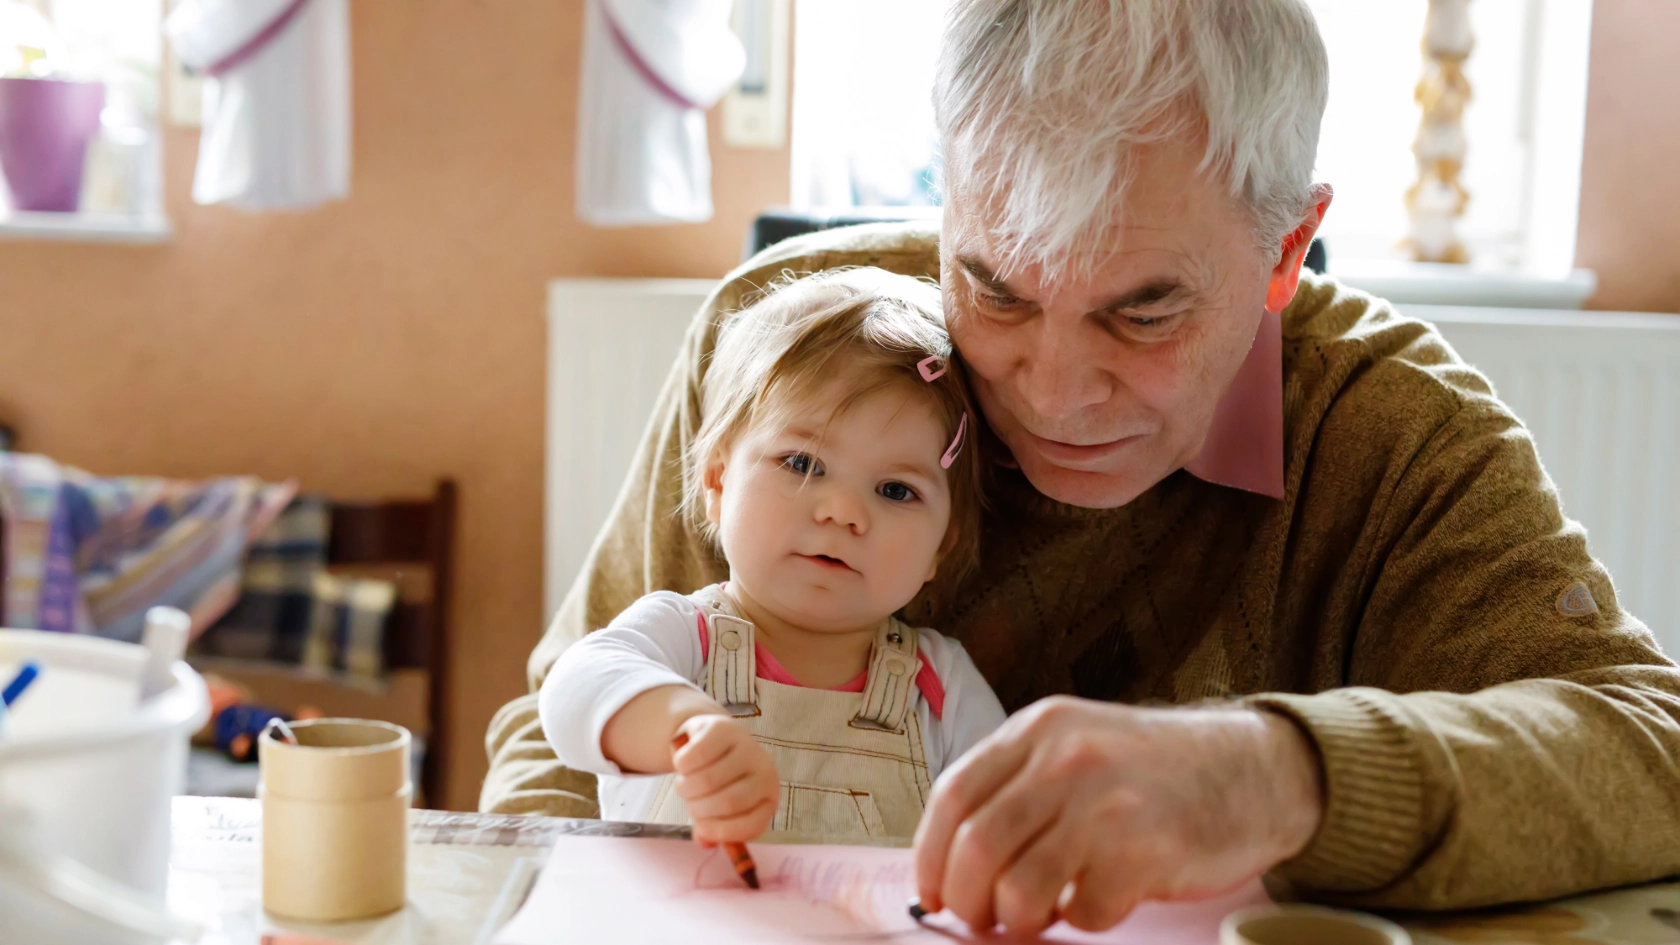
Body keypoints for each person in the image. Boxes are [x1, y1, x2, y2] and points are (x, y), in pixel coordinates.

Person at [486, 0, 1680, 932]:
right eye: (994, 289)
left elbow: (1650, 752)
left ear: (1286, 252)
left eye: (1144, 315)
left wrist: (1275, 777)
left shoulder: (1387, 432)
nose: (1048, 396)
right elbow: (554, 739)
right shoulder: (788, 352)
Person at [537, 268, 1005, 844]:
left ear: (942, 546)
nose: (842, 512)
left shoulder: (942, 686)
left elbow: (1007, 814)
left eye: (895, 490)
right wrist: (684, 728)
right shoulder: (685, 637)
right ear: (716, 482)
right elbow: (571, 691)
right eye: (802, 464)